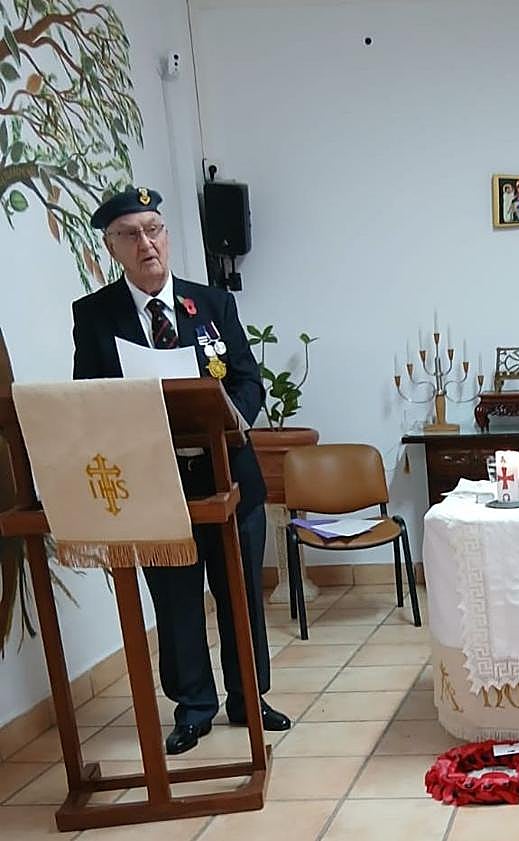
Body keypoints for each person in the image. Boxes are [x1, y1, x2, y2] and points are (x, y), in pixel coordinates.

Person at [71, 186, 291, 755]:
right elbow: (90, 397)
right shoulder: (95, 316)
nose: (147, 244)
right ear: (112, 248)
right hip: (156, 483)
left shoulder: (212, 304)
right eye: (131, 235)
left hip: (227, 475)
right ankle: (193, 706)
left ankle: (249, 696)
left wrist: (231, 419)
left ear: (166, 235)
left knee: (239, 592)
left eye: (154, 229)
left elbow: (247, 379)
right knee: (174, 598)